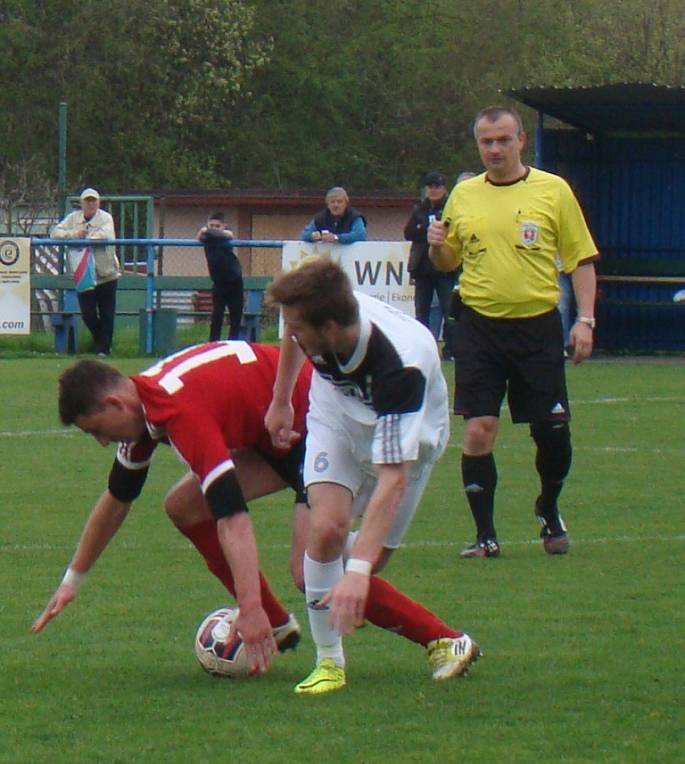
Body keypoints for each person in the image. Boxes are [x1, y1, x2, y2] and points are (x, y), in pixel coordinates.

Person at [265, 255, 480, 695]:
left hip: (411, 445)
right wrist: (282, 398)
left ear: (327, 328)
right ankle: (329, 664)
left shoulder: (401, 365)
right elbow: (291, 335)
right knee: (325, 530)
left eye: (299, 329)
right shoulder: (319, 318)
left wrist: (360, 569)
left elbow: (392, 479)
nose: (292, 336)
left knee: (368, 562)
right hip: (335, 421)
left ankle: (447, 639)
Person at [31, 341, 313, 675]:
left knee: (310, 572)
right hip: (274, 434)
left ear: (114, 403)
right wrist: (71, 581)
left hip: (319, 421)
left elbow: (233, 517)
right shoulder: (147, 401)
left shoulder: (179, 410)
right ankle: (282, 618)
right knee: (183, 506)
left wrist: (249, 608)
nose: (103, 442)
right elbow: (117, 499)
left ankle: (335, 597)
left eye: (97, 430)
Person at [427, 105, 599, 559]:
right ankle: (485, 536)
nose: (495, 148)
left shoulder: (553, 191)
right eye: (487, 141)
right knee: (479, 429)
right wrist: (439, 249)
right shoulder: (463, 196)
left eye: (504, 139)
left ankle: (549, 506)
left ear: (521, 140)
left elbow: (580, 259)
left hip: (538, 328)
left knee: (552, 431)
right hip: (480, 327)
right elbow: (449, 263)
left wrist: (585, 319)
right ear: (478, 145)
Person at [52, 188, 120, 355]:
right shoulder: (73, 218)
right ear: (82, 203)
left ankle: (103, 350)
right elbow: (55, 233)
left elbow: (105, 235)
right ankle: (101, 341)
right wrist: (75, 233)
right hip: (83, 274)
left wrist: (83, 237)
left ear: (98, 202)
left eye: (94, 201)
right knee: (88, 315)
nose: (91, 204)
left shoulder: (105, 218)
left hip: (106, 273)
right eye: (87, 201)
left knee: (107, 314)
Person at [404, 171, 457, 360]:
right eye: (430, 187)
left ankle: (450, 350)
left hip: (445, 268)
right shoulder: (419, 208)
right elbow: (408, 232)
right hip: (422, 268)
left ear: (444, 189)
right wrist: (426, 230)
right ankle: (423, 350)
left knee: (449, 310)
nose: (433, 190)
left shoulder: (450, 207)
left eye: (437, 186)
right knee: (421, 311)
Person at [197, 212, 244, 341]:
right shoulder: (206, 237)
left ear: (223, 226)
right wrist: (208, 231)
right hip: (219, 282)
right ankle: (213, 343)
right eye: (211, 225)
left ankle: (232, 343)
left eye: (217, 226)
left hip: (234, 279)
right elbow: (200, 235)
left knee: (235, 315)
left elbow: (229, 235)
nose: (214, 228)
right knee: (217, 314)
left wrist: (213, 232)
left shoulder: (226, 235)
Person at [301, 187, 367, 244]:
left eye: (339, 202)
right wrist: (312, 236)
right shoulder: (320, 218)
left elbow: (360, 235)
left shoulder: (354, 217)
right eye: (332, 202)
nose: (336, 205)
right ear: (328, 205)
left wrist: (337, 238)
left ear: (346, 204)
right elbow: (304, 235)